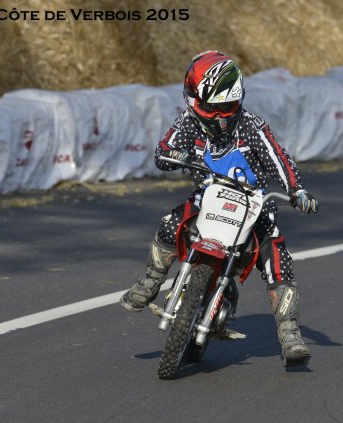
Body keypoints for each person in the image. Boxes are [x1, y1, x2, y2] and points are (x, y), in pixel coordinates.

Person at [119, 50, 319, 366]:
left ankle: (289, 332)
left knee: (278, 258)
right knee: (170, 222)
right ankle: (151, 280)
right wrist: (177, 157)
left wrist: (297, 190)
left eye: (225, 107)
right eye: (211, 107)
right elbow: (164, 151)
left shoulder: (252, 126)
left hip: (255, 204)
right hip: (208, 196)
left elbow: (279, 158)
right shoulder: (187, 122)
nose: (218, 116)